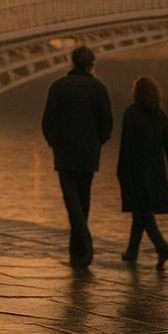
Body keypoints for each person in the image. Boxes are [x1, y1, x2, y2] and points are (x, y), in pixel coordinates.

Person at [41, 46, 113, 265]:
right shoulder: (99, 88)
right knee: (83, 201)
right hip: (89, 153)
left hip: (64, 152)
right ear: (91, 64)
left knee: (71, 200)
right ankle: (77, 252)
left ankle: (84, 244)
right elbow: (107, 124)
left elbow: (48, 121)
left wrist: (55, 143)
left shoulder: (59, 86)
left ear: (72, 62)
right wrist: (98, 141)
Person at [116, 75, 168, 269]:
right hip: (156, 172)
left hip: (137, 171)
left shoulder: (131, 113)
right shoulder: (160, 115)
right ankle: (132, 251)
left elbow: (126, 146)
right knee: (140, 211)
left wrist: (121, 170)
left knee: (143, 213)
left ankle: (162, 247)